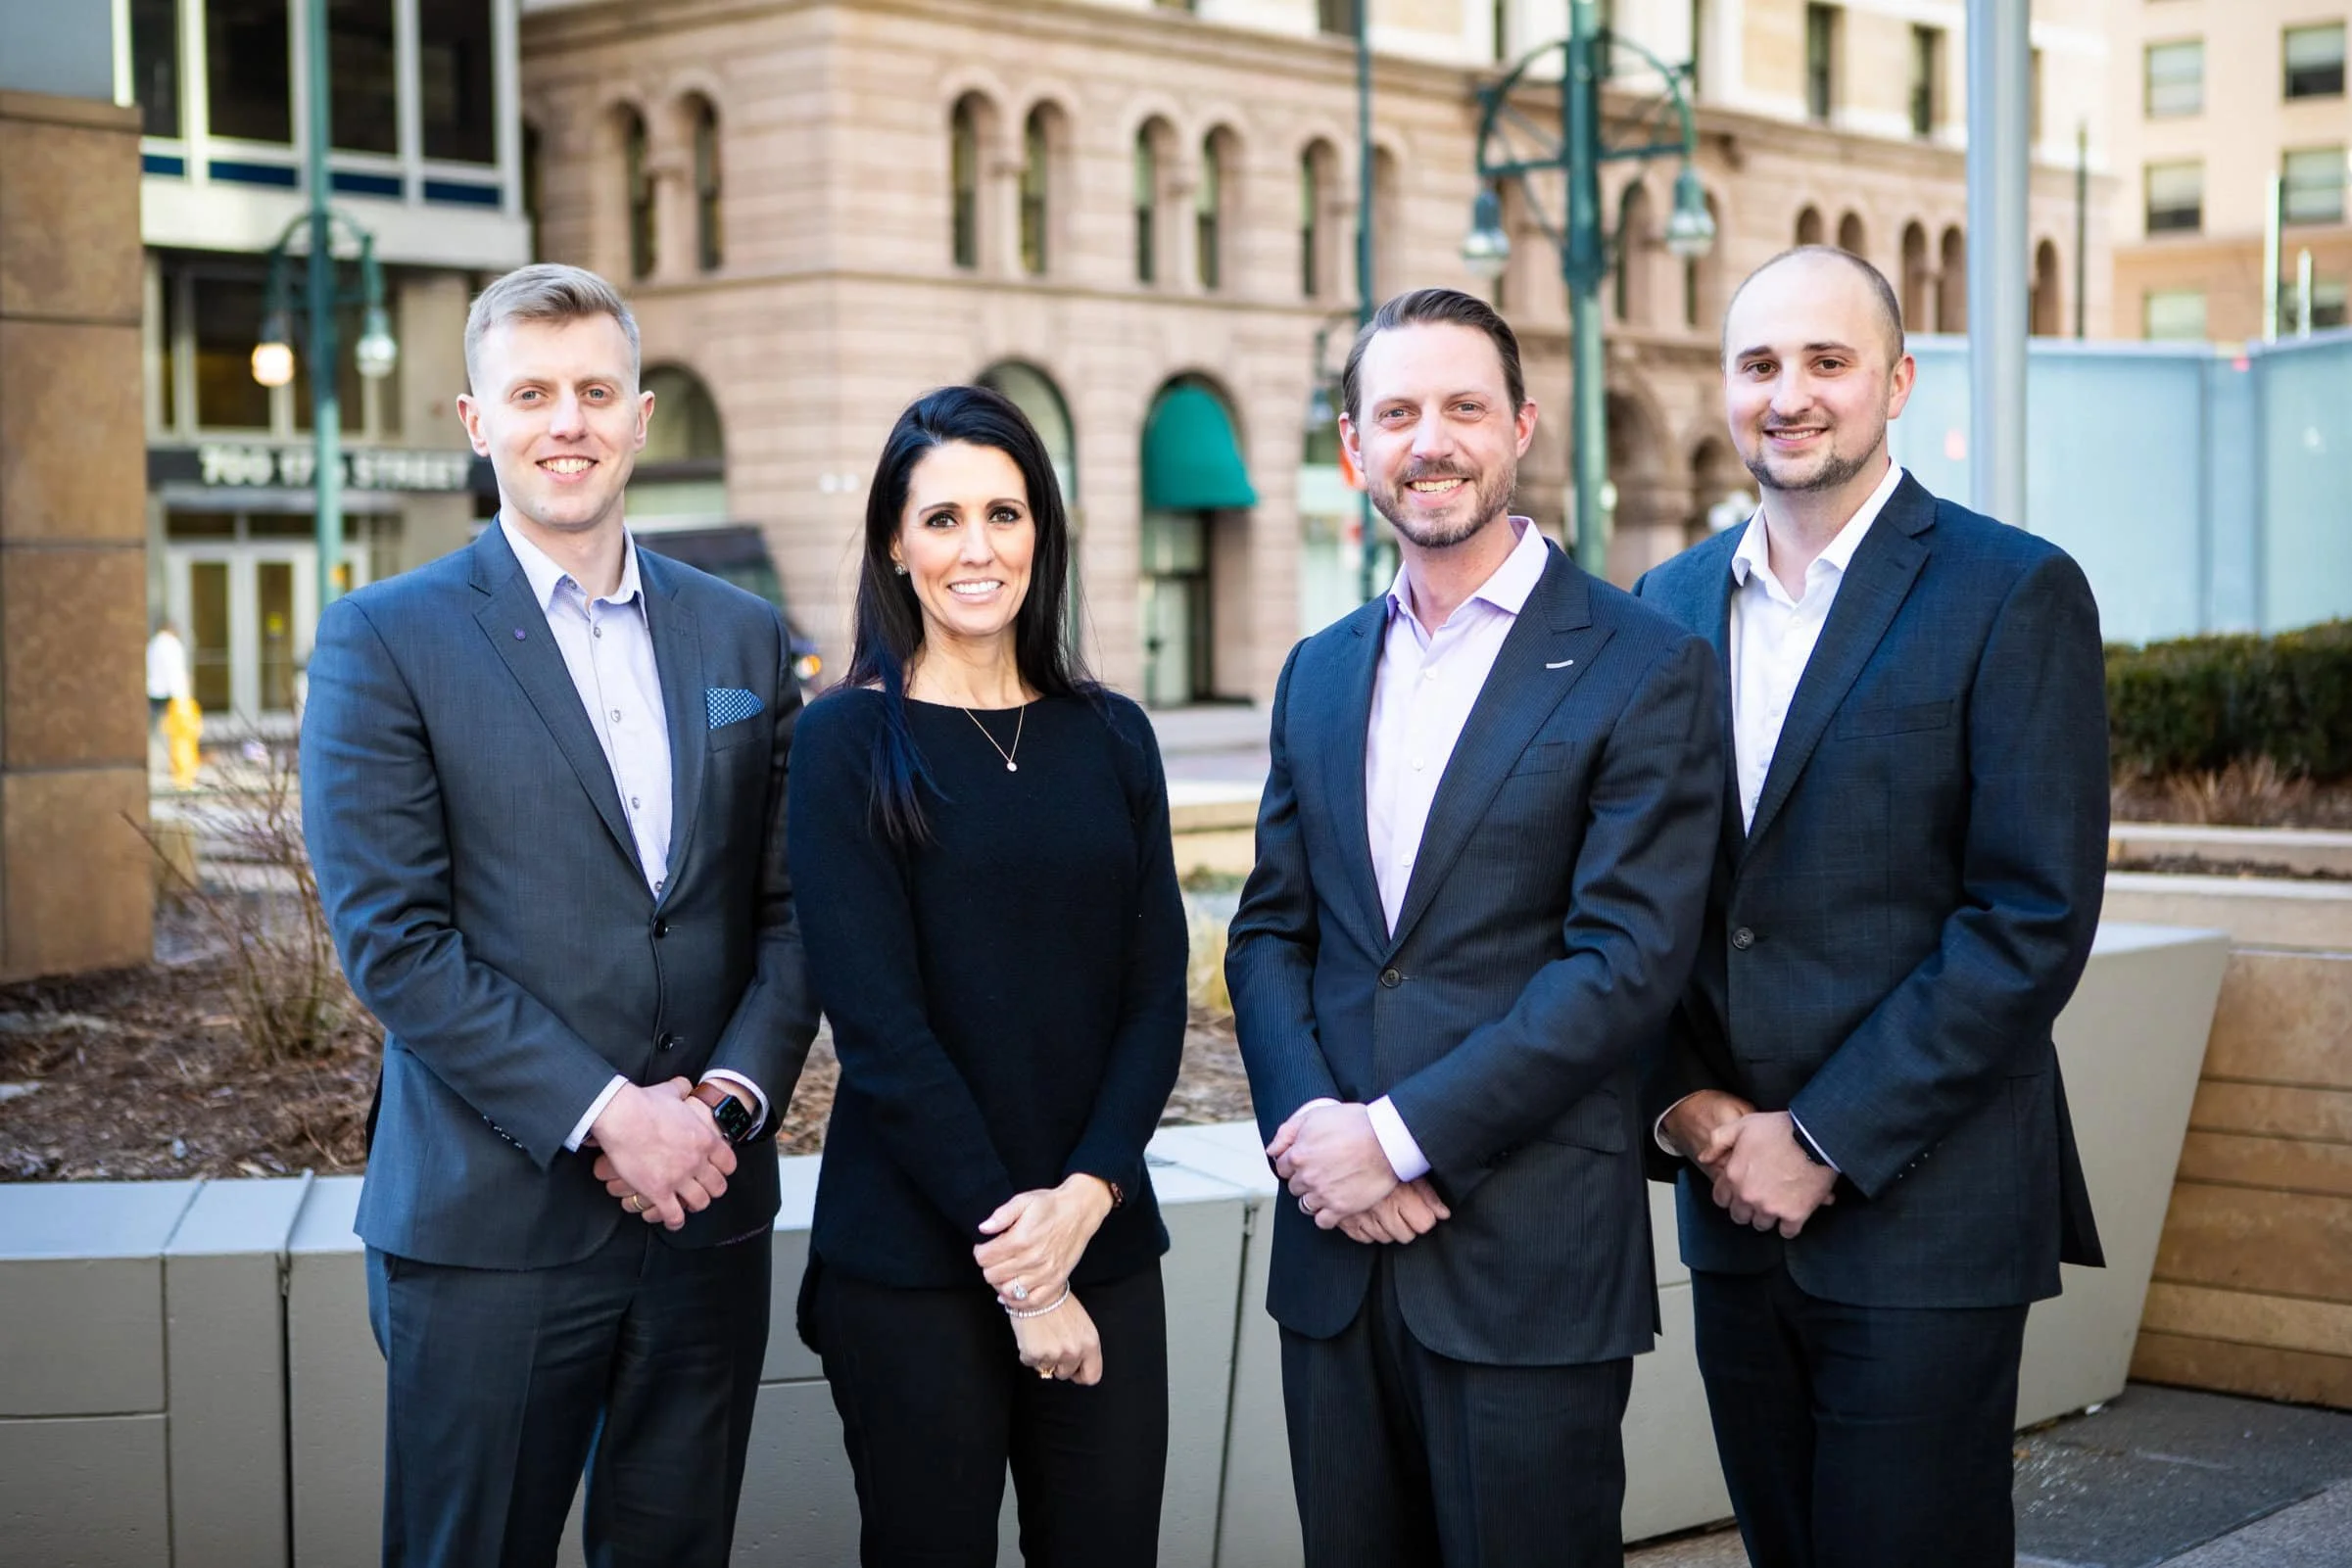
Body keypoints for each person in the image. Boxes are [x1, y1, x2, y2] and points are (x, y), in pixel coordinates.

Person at [301, 262, 818, 1567]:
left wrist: (724, 1106)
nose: (567, 421)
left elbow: (792, 908)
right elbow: (395, 944)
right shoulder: (385, 638)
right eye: (531, 393)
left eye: (595, 390)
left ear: (642, 416)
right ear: (476, 422)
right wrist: (608, 1115)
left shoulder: (745, 640)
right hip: (491, 1229)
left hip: (707, 1211)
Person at [1224, 287, 1725, 1568]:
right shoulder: (1319, 668)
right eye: (1394, 412)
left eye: (1460, 407)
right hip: (1334, 1265)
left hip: (1524, 1262)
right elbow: (1271, 935)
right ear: (1352, 446)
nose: (1426, 440)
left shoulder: (1640, 662)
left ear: (1521, 428)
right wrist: (1319, 1147)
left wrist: (1396, 1140)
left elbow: (1622, 969)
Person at [1636, 246, 2108, 1568]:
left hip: (1926, 1207)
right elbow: (1636, 899)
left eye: (1826, 362)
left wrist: (1824, 1135)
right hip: (1730, 1205)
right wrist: (1682, 1104)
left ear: (1895, 381)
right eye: (1759, 365)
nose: (1790, 394)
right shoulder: (1664, 609)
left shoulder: (2009, 590)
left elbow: (2029, 915)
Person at [786, 385, 1188, 1568]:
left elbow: (1155, 992)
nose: (979, 547)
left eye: (1005, 514)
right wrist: (1024, 1270)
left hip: (1100, 1238)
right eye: (944, 517)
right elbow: (880, 1030)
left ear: (1041, 535)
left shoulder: (1112, 734)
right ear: (895, 547)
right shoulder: (843, 743)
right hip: (914, 1260)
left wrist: (1087, 1197)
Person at [147, 620, 190, 730]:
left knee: (155, 726)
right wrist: (182, 696)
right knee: (170, 728)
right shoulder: (171, 644)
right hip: (168, 694)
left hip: (153, 691)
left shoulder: (154, 644)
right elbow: (174, 671)